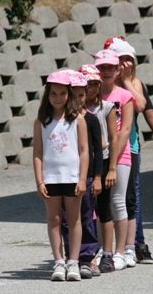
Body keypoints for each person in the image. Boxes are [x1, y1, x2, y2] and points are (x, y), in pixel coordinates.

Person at [104, 36, 153, 265]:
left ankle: (136, 244)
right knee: (109, 198)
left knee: (131, 197)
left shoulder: (135, 84)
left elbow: (145, 108)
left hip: (130, 147)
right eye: (120, 60)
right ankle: (108, 246)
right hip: (106, 147)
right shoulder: (106, 83)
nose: (125, 64)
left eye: (128, 59)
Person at [33, 70, 89, 281]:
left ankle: (73, 262)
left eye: (62, 93)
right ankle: (58, 261)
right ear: (47, 95)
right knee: (54, 219)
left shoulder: (78, 120)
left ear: (69, 95)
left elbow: (84, 151)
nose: (58, 98)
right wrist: (39, 181)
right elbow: (38, 153)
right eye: (53, 93)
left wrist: (82, 178)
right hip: (51, 178)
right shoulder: (41, 122)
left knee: (74, 219)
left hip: (73, 177)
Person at [60, 70, 103, 279]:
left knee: (86, 216)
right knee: (67, 219)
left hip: (84, 177)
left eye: (81, 95)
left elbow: (96, 151)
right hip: (65, 176)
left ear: (86, 96)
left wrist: (96, 177)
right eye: (73, 95)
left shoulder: (91, 120)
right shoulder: (63, 120)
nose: (77, 100)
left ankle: (87, 257)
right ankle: (71, 256)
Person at [94, 49, 134, 270]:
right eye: (102, 67)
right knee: (99, 204)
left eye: (110, 67)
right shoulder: (91, 94)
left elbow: (125, 129)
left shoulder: (124, 96)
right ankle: (103, 247)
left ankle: (121, 251)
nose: (106, 71)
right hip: (97, 155)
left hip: (120, 154)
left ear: (118, 70)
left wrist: (112, 161)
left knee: (118, 201)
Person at [79, 63, 119, 273]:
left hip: (102, 161)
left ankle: (108, 254)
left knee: (104, 208)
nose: (91, 89)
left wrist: (112, 168)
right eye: (87, 85)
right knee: (85, 211)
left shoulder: (106, 108)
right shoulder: (76, 110)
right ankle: (87, 253)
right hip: (81, 163)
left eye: (94, 84)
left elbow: (113, 138)